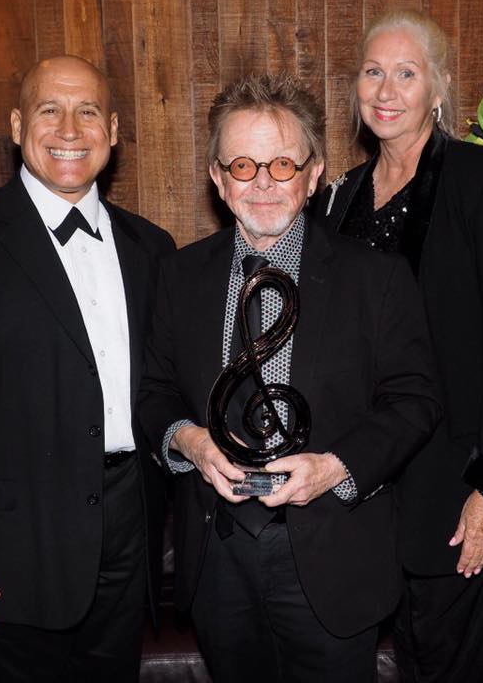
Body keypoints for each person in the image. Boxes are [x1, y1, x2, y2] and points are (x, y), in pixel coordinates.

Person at [139, 72, 440, 683]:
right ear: (218, 178)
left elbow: (415, 401)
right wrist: (190, 442)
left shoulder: (376, 278)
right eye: (243, 165)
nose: (263, 184)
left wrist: (335, 468)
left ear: (314, 173)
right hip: (217, 555)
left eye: (282, 165)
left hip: (333, 554)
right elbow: (154, 393)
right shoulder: (178, 277)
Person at [0, 55, 175, 682]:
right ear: (18, 126)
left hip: (127, 534)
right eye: (50, 110)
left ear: (114, 131)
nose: (69, 129)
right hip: (8, 550)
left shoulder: (151, 248)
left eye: (88, 111)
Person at [320, 9, 483, 683]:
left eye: (406, 73)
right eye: (372, 72)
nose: (385, 90)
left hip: (462, 494)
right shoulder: (339, 199)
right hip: (374, 499)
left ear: (439, 88)